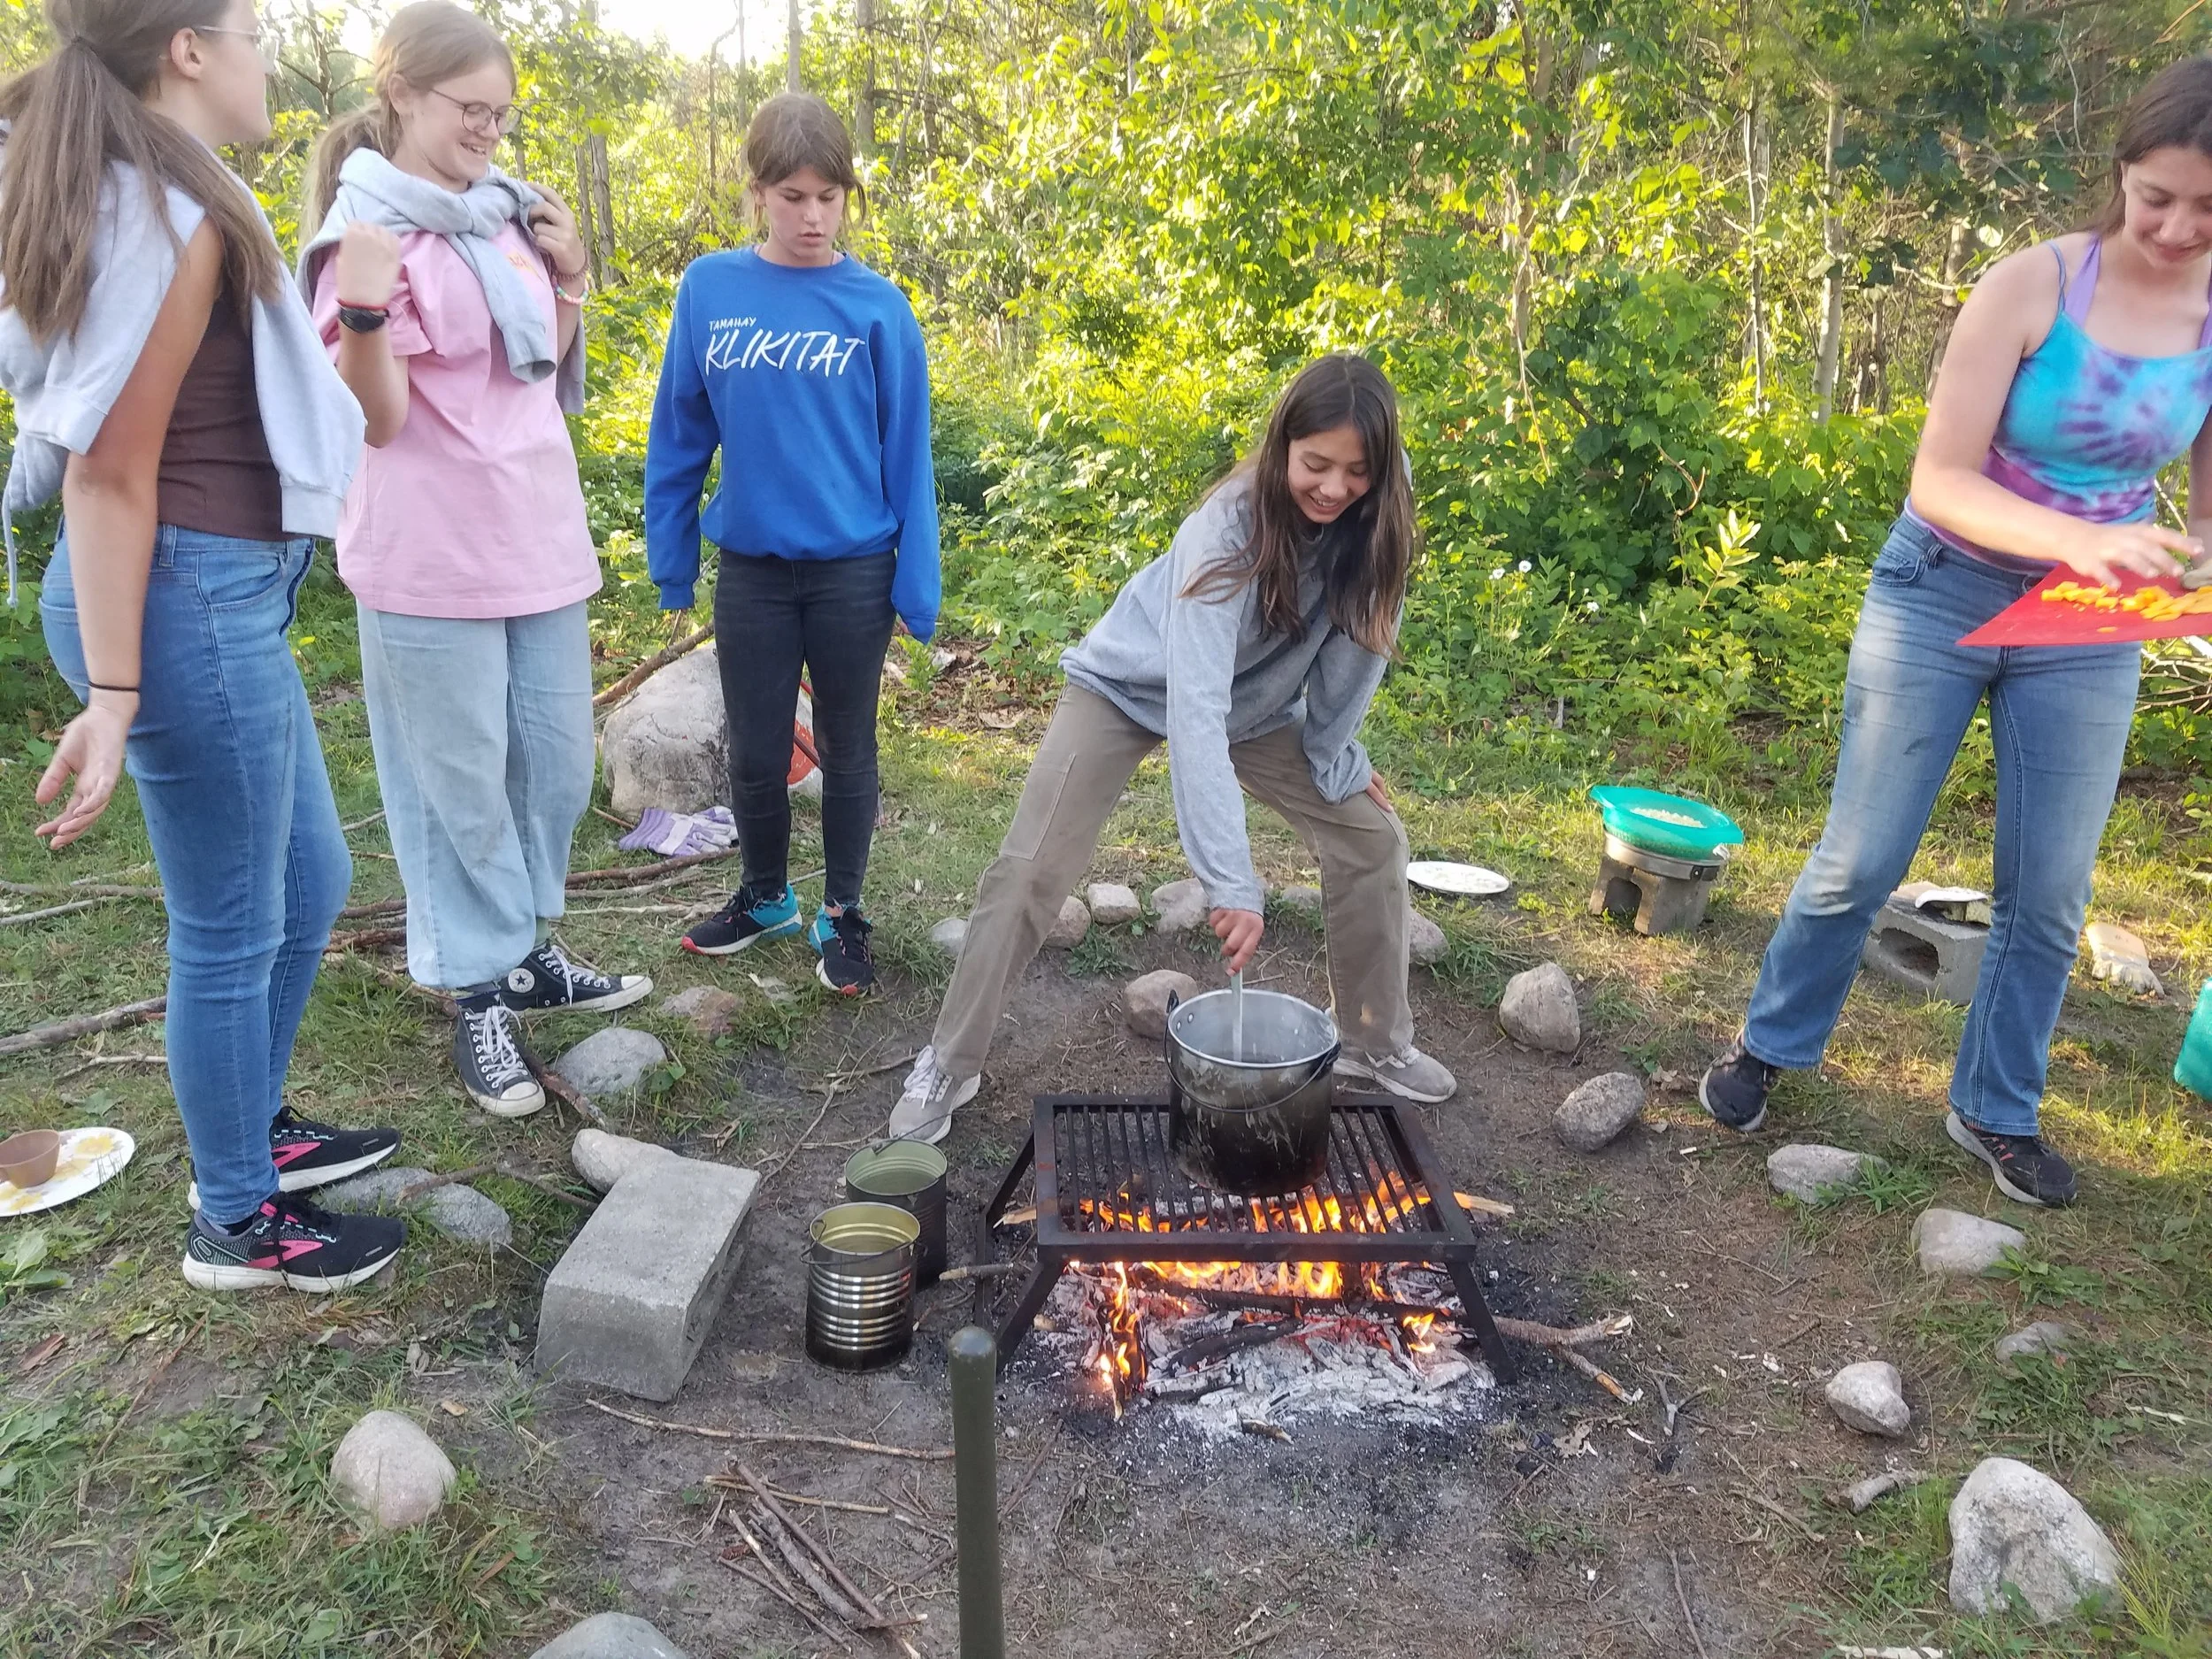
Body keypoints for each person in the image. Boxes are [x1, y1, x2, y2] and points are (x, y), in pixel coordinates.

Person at [1698, 56, 2212, 1208]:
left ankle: (1995, 1108)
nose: (2180, 229)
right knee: (1862, 857)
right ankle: (1769, 1047)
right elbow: (1941, 478)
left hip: (2090, 621)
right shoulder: (2033, 286)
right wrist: (2081, 540)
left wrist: (2197, 560)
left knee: (2050, 889)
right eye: (2158, 198)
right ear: (2122, 176)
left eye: (2209, 209)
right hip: (1944, 587)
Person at [1, 0, 404, 1290]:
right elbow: (109, 470)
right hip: (178, 592)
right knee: (231, 923)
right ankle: (234, 1219)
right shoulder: (164, 215)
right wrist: (115, 692)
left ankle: (252, 1131)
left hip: (212, 586)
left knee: (313, 884)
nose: (267, 55)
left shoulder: (175, 187)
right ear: (188, 48)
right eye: (249, 29)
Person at [890, 354, 1456, 1144]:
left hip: (1252, 708)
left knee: (1372, 838)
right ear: (1283, 444)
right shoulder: (1223, 532)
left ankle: (1369, 1040)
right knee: (1029, 869)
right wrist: (1232, 882)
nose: (1333, 487)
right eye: (1316, 465)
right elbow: (1194, 710)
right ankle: (950, 1060)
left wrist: (1337, 755)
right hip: (1128, 688)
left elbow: (1357, 649)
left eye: (1355, 472)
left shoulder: (1379, 519)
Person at [299, 0, 649, 1119]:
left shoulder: (506, 215)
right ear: (401, 93)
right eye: (468, 111)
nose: (488, 132)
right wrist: (360, 310)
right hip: (426, 552)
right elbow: (382, 420)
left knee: (549, 767)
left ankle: (526, 948)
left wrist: (574, 275)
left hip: (536, 533)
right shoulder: (363, 236)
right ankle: (475, 992)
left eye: (499, 114)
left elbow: (540, 372)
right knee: (453, 789)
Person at [643, 92, 940, 996]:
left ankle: (842, 913)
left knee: (848, 748)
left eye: (829, 196)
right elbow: (679, 428)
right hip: (755, 571)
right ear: (757, 193)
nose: (812, 217)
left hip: (854, 569)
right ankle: (764, 894)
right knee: (755, 749)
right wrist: (671, 560)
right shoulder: (711, 290)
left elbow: (908, 453)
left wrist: (916, 585)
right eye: (792, 196)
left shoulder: (878, 308)